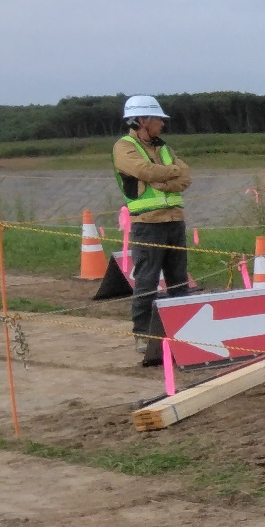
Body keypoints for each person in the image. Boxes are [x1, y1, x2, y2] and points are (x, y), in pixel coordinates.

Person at [112, 95, 194, 367]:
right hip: (147, 224)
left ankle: (184, 331)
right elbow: (144, 171)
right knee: (147, 281)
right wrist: (169, 173)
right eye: (158, 119)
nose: (162, 124)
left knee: (179, 280)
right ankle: (144, 335)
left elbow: (185, 176)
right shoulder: (125, 147)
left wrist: (165, 179)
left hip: (174, 221)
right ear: (142, 120)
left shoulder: (165, 148)